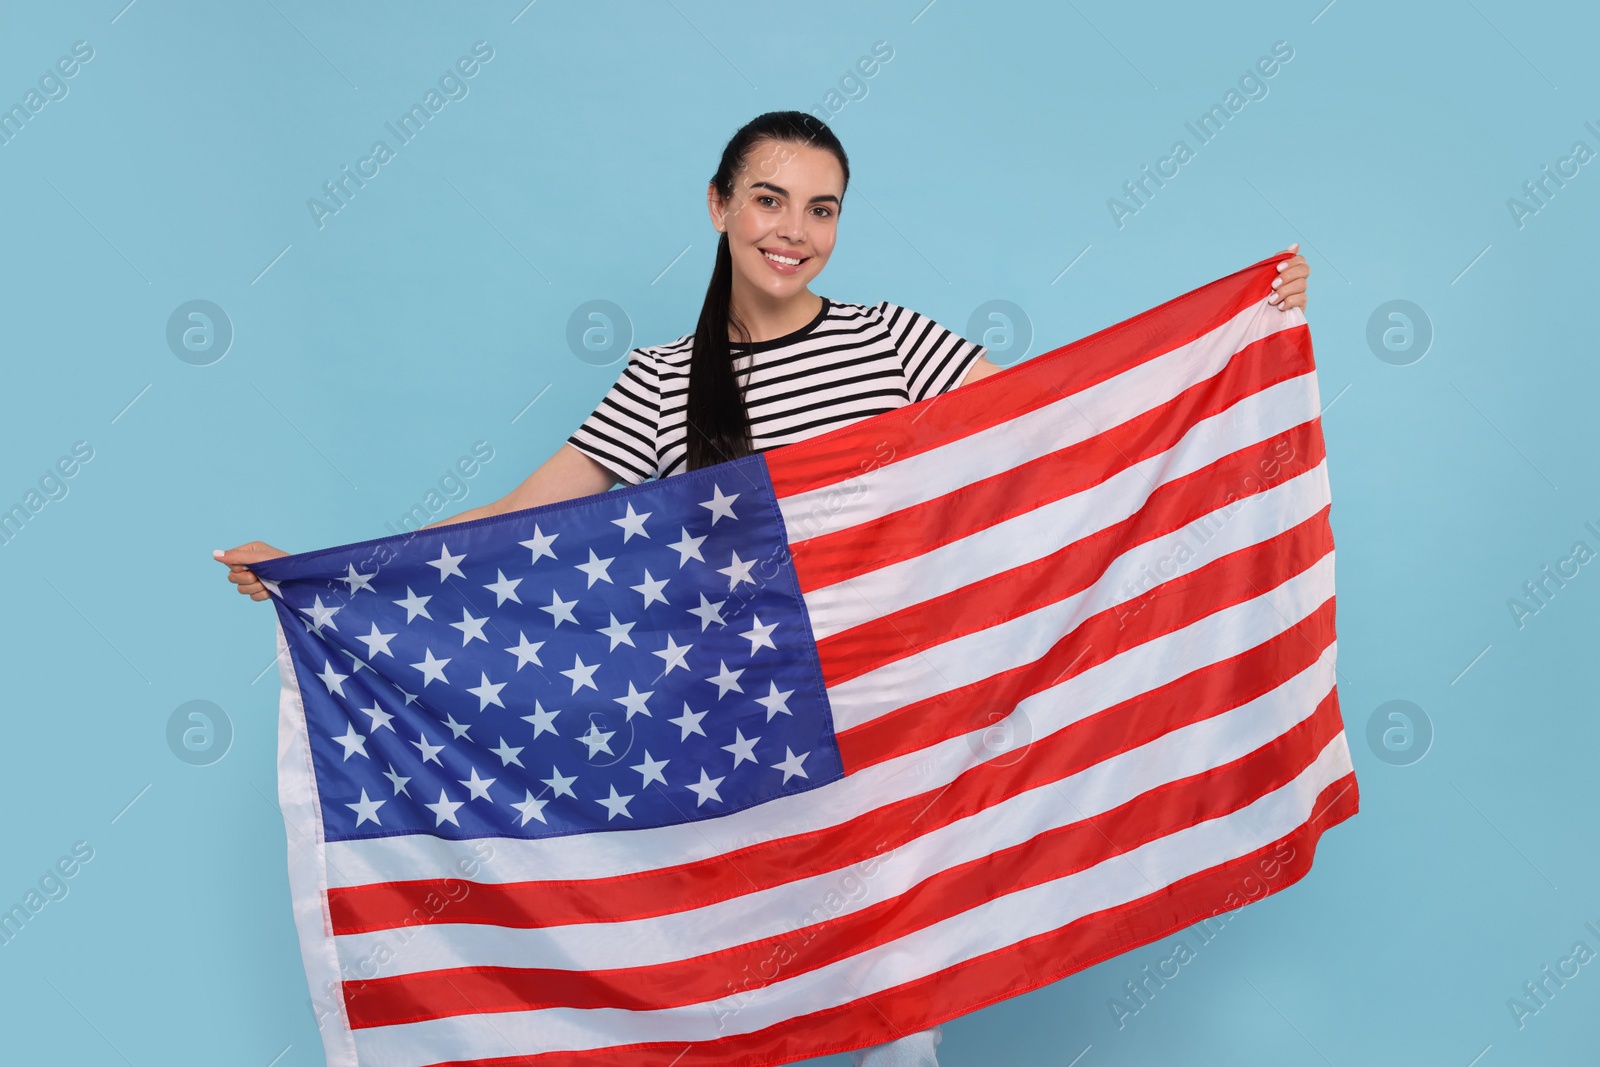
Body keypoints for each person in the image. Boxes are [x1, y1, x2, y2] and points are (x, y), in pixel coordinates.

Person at [216, 110, 1310, 1066]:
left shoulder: (892, 342)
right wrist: (322, 576)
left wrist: (1240, 328)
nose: (795, 230)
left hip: (894, 728)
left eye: (821, 209)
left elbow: (1062, 420)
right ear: (719, 207)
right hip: (739, 731)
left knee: (899, 1005)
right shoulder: (658, 379)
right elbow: (518, 516)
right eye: (771, 200)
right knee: (733, 991)